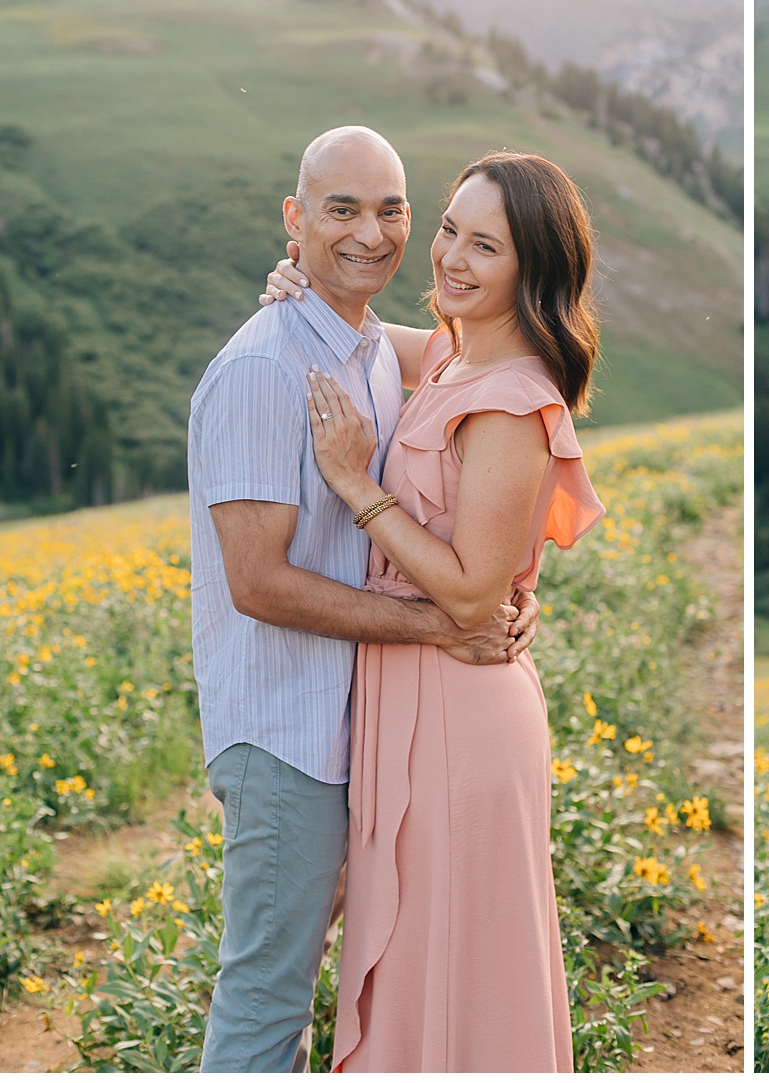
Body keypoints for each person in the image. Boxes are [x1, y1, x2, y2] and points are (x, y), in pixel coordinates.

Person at [188, 126, 538, 1072]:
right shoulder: (266, 370)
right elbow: (256, 584)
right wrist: (449, 624)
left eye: (390, 210)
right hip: (288, 734)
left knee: (335, 984)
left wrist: (500, 588)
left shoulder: (375, 346)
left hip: (369, 726)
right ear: (294, 219)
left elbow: (501, 382)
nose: (371, 233)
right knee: (269, 1000)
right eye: (340, 209)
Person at [266, 150, 604, 1070]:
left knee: (456, 958)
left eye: (484, 246)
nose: (451, 258)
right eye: (449, 228)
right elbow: (367, 338)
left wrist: (350, 482)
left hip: (461, 709)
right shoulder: (456, 355)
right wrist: (304, 285)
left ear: (528, 270)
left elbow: (469, 591)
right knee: (417, 947)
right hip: (412, 692)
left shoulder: (512, 400)